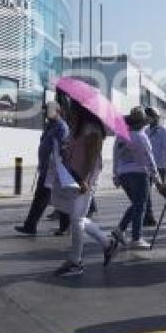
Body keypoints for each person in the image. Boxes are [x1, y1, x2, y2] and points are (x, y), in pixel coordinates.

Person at [51, 99, 119, 277]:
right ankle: (107, 244)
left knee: (77, 220)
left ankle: (76, 262)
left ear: (81, 110)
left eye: (72, 108)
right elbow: (73, 150)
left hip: (84, 178)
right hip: (73, 176)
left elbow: (92, 157)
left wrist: (84, 180)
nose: (70, 112)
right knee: (78, 218)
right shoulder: (78, 127)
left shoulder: (92, 129)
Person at [14, 101, 70, 236]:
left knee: (43, 198)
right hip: (46, 168)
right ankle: (63, 227)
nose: (46, 113)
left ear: (58, 111)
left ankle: (31, 226)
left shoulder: (62, 127)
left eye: (49, 110)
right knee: (53, 198)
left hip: (54, 170)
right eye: (45, 110)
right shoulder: (50, 126)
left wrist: (57, 166)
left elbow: (64, 148)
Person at [112, 107, 161, 250]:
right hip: (139, 173)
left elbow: (115, 155)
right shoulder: (141, 136)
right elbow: (149, 158)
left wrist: (115, 174)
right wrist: (156, 177)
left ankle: (120, 230)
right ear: (141, 123)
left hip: (123, 173)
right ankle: (136, 237)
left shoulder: (121, 136)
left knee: (137, 204)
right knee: (140, 205)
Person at [143, 107, 166, 226]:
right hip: (147, 166)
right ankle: (149, 216)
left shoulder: (163, 131)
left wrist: (163, 166)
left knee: (162, 190)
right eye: (147, 116)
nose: (149, 118)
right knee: (146, 192)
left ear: (156, 117)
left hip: (160, 166)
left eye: (151, 115)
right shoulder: (146, 130)